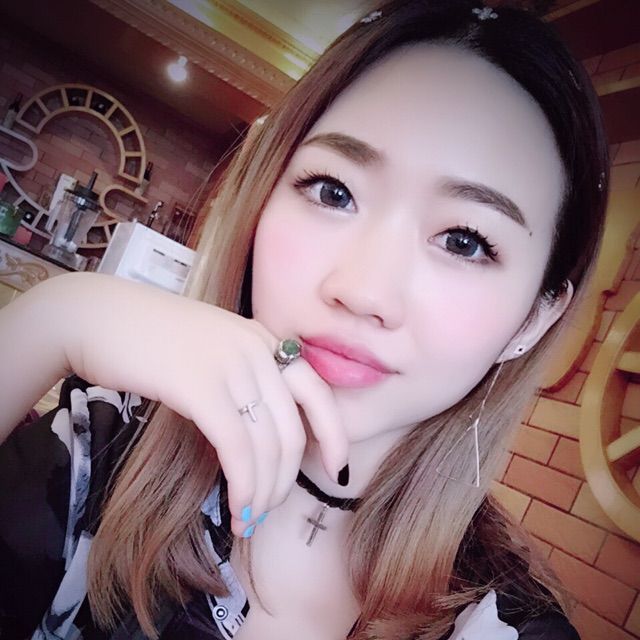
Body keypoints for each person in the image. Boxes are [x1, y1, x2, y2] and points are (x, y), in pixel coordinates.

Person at [0, 0, 609, 638]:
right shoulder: (101, 452)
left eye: (464, 241)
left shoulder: (506, 626)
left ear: (532, 321)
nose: (364, 291)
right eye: (332, 191)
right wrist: (56, 318)